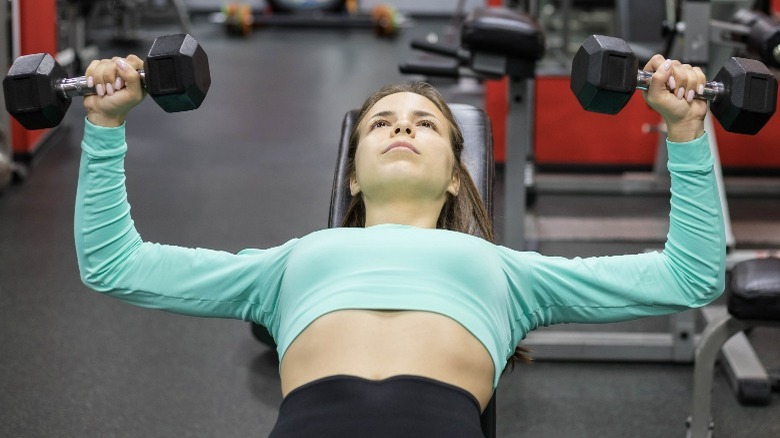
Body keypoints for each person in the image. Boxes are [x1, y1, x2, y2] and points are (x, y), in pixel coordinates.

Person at [76, 53, 725, 437]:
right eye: (382, 122)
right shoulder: (292, 261)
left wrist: (687, 132)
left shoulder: (504, 272)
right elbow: (116, 264)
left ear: (453, 174)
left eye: (425, 124)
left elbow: (689, 279)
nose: (401, 128)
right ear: (353, 173)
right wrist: (105, 126)